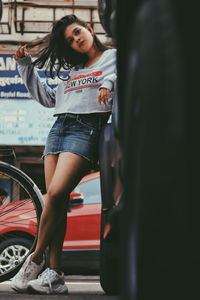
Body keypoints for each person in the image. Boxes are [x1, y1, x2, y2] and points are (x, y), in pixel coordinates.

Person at [11, 14, 116, 295]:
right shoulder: (73, 71)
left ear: (90, 29)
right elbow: (47, 98)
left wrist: (108, 81)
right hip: (58, 128)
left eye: (78, 32)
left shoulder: (113, 58)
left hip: (87, 129)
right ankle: (55, 274)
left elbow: (128, 73)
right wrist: (25, 67)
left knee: (56, 193)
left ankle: (34, 258)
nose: (76, 39)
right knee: (54, 205)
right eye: (70, 39)